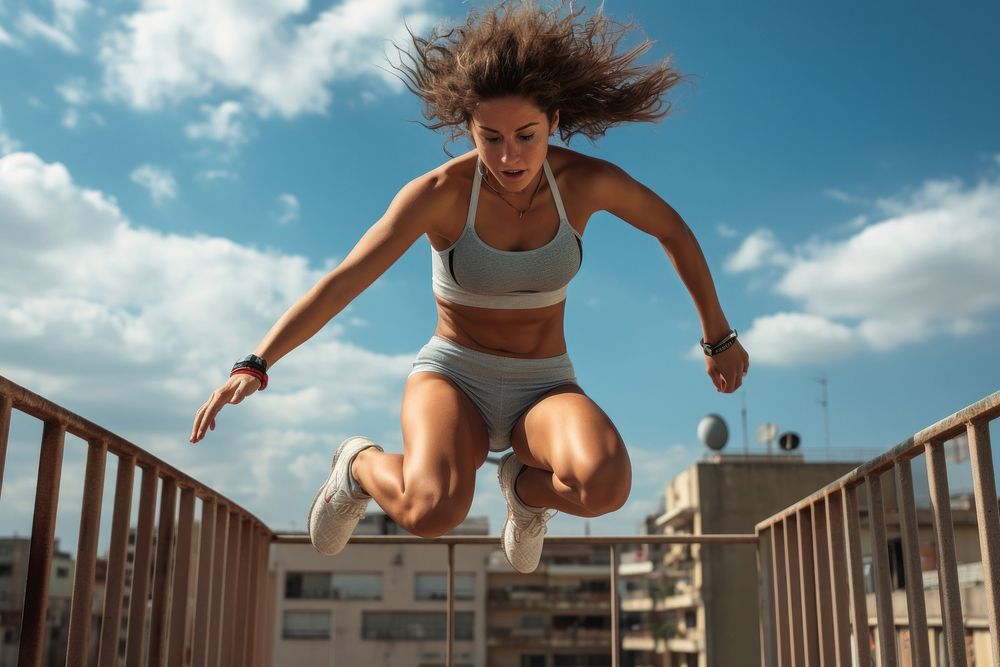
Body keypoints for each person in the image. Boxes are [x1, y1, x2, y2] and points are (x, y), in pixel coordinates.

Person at [190, 2, 749, 574]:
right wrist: (256, 362)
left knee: (605, 486)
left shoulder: (585, 183)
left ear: (553, 120)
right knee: (431, 511)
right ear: (469, 129)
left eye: (527, 135)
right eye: (491, 137)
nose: (510, 156)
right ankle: (358, 468)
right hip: (454, 374)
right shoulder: (439, 193)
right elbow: (345, 281)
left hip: (544, 384)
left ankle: (526, 495)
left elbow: (674, 231)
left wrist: (717, 335)